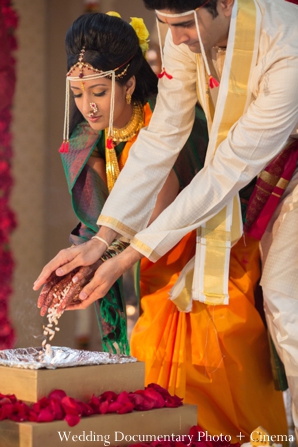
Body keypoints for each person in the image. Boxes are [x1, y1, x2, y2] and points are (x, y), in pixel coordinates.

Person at [33, 0, 298, 441]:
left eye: (184, 26)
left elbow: (223, 171)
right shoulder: (183, 29)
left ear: (227, 4)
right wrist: (101, 242)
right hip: (243, 181)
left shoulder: (288, 51)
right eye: (166, 26)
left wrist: (124, 255)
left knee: (285, 306)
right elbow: (163, 137)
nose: (174, 40)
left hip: (275, 172)